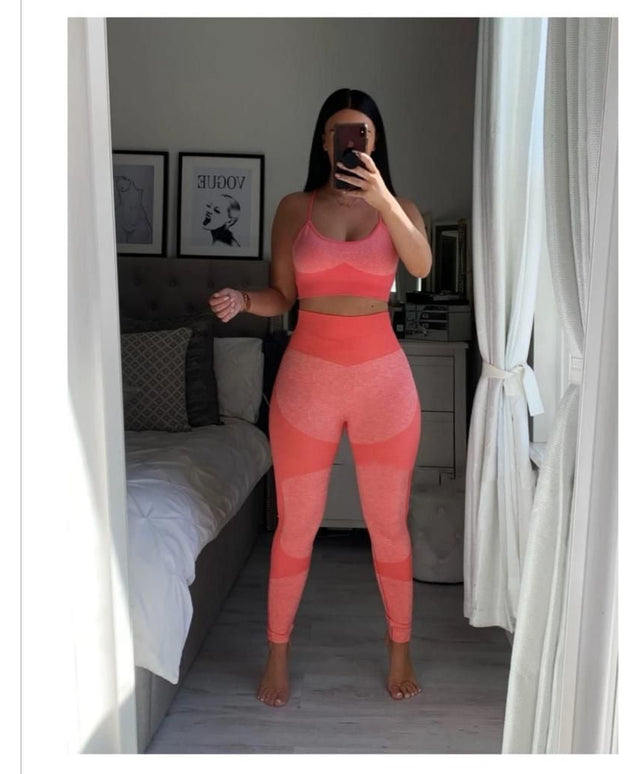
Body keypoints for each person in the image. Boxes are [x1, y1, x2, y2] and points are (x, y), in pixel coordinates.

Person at [208, 88, 432, 707]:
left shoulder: (401, 208)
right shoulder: (293, 208)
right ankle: (276, 652)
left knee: (388, 527)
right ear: (323, 141)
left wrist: (382, 199)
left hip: (384, 386)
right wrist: (244, 300)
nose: (349, 142)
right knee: (295, 528)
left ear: (376, 142)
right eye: (339, 132)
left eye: (362, 132)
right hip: (307, 383)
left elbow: (419, 266)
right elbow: (283, 295)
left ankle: (400, 644)